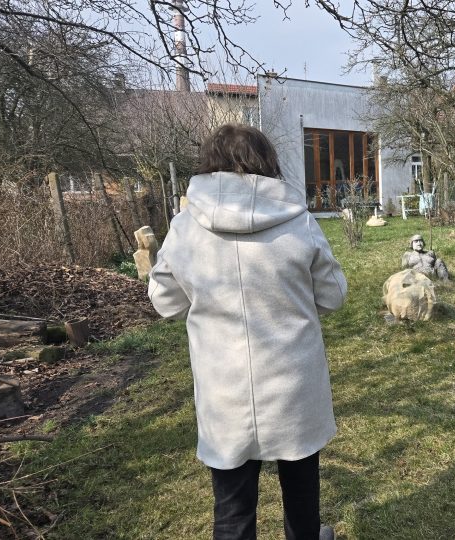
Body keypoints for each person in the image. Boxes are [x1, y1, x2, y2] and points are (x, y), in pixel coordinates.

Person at [148, 124, 346, 540]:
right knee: (302, 495)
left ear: (209, 165)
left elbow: (165, 303)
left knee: (233, 509)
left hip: (225, 390)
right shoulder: (299, 222)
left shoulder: (185, 228)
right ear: (268, 163)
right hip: (294, 384)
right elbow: (332, 296)